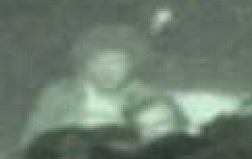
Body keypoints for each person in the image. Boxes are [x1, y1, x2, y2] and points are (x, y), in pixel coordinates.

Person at [20, 24, 162, 148]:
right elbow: (32, 141)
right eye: (98, 62)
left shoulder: (145, 97)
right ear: (85, 66)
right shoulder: (61, 94)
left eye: (116, 62)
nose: (107, 70)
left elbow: (161, 143)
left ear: (130, 65)